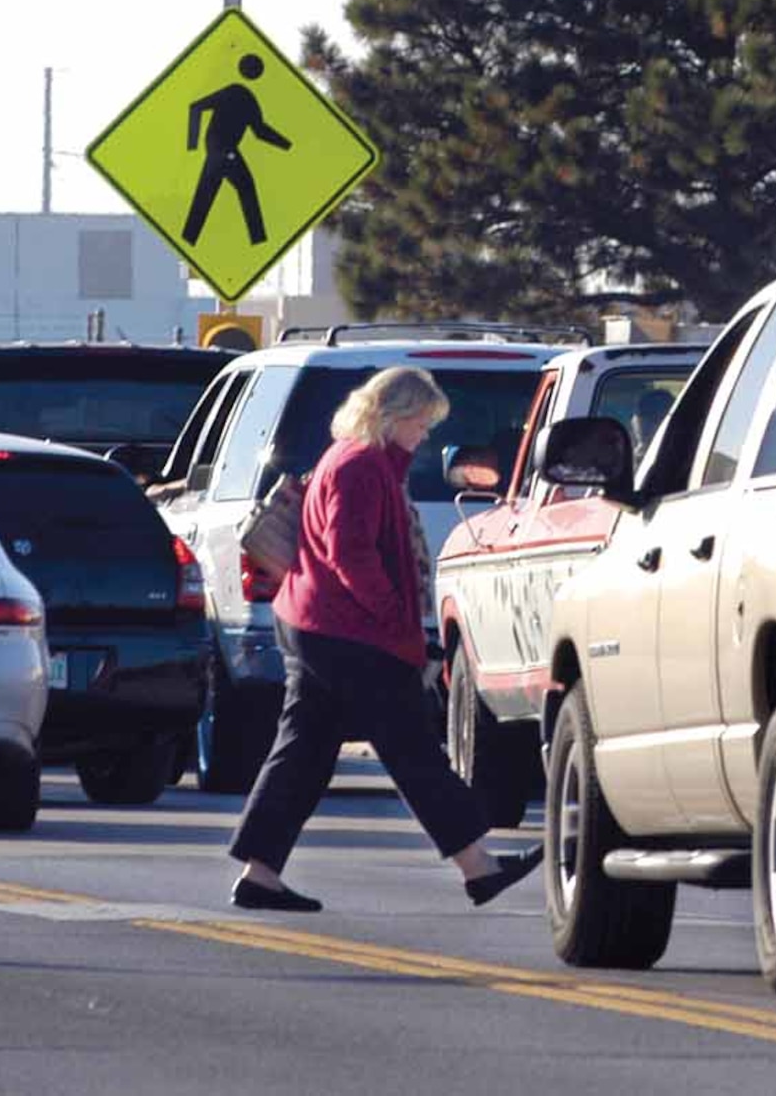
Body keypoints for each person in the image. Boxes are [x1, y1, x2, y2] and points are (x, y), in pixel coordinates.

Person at [227, 366, 543, 912]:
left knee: (303, 753)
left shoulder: (357, 459)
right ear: (393, 416)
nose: (426, 436)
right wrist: (396, 621)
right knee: (412, 749)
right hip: (346, 633)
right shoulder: (359, 467)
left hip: (317, 624)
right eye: (422, 423)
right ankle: (478, 867)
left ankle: (261, 873)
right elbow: (353, 557)